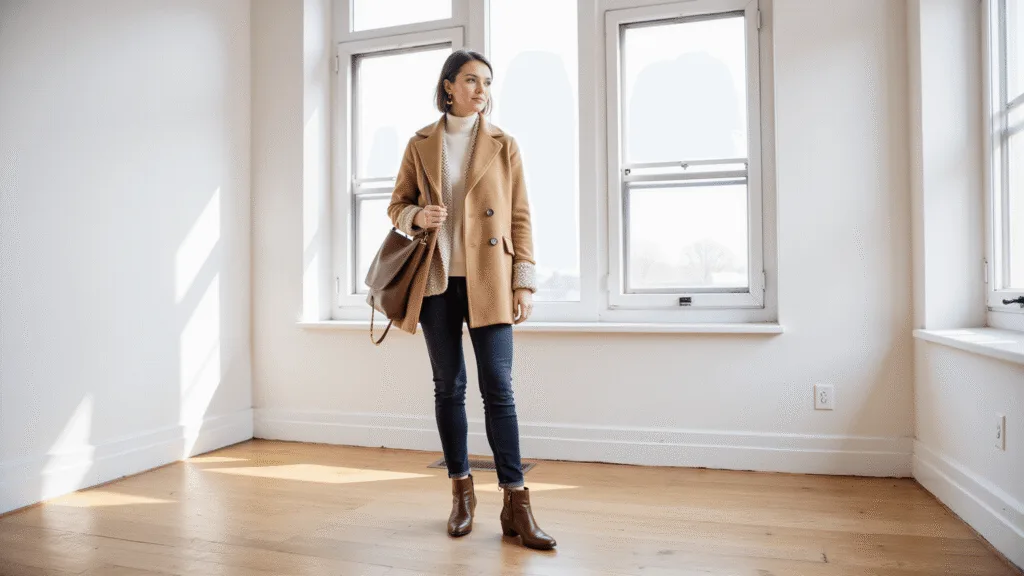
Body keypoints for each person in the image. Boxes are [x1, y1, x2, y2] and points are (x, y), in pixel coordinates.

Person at [384, 49, 556, 550]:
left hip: (491, 279)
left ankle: (516, 504)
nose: (481, 89)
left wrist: (523, 280)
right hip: (437, 280)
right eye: (471, 80)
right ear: (448, 87)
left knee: (499, 388)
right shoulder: (420, 144)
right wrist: (417, 217)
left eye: (486, 82)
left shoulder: (505, 144)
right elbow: (396, 204)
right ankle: (461, 492)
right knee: (449, 386)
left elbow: (520, 215)